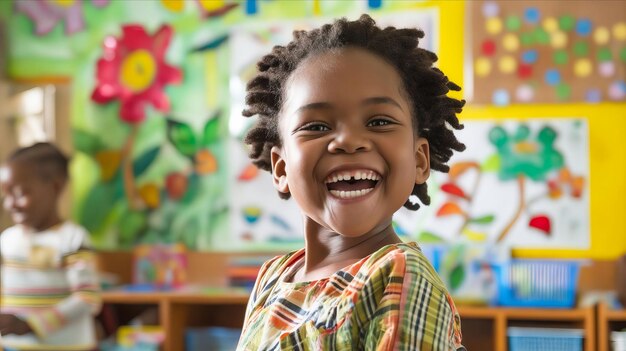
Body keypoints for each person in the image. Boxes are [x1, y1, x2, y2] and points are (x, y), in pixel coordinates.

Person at [236, 14, 466, 351]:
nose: (348, 141)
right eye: (315, 126)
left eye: (378, 121)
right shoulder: (274, 276)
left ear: (419, 161)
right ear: (281, 168)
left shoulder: (399, 274)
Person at [0, 142, 101, 351]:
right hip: (14, 346)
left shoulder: (72, 238)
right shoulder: (7, 240)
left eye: (18, 194)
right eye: (6, 195)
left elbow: (87, 298)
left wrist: (31, 325)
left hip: (66, 347)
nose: (9, 204)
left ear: (55, 187)